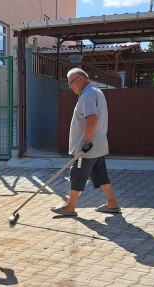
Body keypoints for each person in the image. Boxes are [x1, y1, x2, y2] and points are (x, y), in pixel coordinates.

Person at [51, 67, 120, 216]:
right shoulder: (96, 91)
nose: (70, 87)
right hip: (98, 146)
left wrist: (87, 141)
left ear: (81, 79)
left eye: (71, 83)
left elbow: (92, 118)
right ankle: (112, 203)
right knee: (100, 174)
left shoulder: (88, 94)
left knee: (77, 174)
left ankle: (70, 207)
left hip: (88, 147)